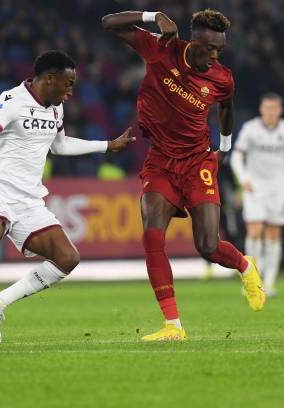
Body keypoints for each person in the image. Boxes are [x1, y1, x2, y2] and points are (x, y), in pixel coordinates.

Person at [0, 50, 134, 348]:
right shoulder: (12, 100)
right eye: (68, 84)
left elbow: (59, 146)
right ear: (49, 79)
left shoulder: (56, 109)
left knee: (67, 258)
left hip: (30, 199)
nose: (71, 91)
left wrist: (107, 145)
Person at [102, 8, 265, 342]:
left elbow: (227, 106)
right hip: (160, 160)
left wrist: (225, 146)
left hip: (197, 162)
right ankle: (173, 326)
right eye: (210, 49)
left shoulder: (222, 78)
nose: (215, 55)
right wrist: (154, 15)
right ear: (194, 42)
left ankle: (245, 266)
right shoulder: (162, 48)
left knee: (208, 245)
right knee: (152, 236)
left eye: (220, 49)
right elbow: (108, 23)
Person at [230, 93, 284, 296]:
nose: (270, 112)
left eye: (274, 108)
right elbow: (236, 157)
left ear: (280, 110)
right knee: (254, 230)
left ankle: (270, 284)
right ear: (261, 109)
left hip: (279, 187)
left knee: (273, 233)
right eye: (267, 108)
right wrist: (243, 178)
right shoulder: (250, 129)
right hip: (254, 186)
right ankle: (252, 282)